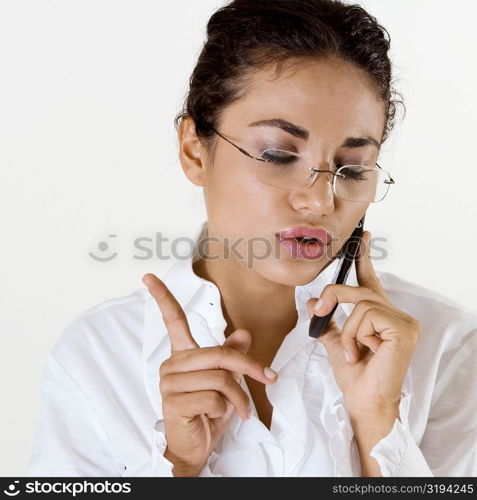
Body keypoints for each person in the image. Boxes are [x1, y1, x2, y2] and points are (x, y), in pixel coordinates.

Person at [27, 0, 477, 477]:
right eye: (278, 155)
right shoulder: (99, 355)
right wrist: (178, 466)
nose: (320, 201)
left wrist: (378, 423)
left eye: (353, 167)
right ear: (195, 152)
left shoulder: (446, 347)